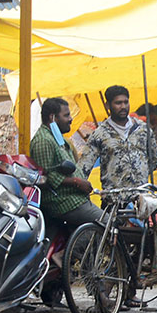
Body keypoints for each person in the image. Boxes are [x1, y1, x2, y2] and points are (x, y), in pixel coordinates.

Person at [29, 96, 104, 234]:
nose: (70, 119)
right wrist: (77, 182)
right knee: (106, 223)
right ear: (53, 117)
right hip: (62, 201)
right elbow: (46, 177)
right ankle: (65, 254)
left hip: (76, 198)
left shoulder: (57, 138)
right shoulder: (44, 141)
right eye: (66, 115)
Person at [80, 84, 157, 190]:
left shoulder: (143, 129)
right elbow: (84, 167)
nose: (123, 106)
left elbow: (154, 160)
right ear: (107, 105)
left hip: (142, 196)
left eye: (125, 102)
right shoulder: (100, 135)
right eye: (118, 103)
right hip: (113, 199)